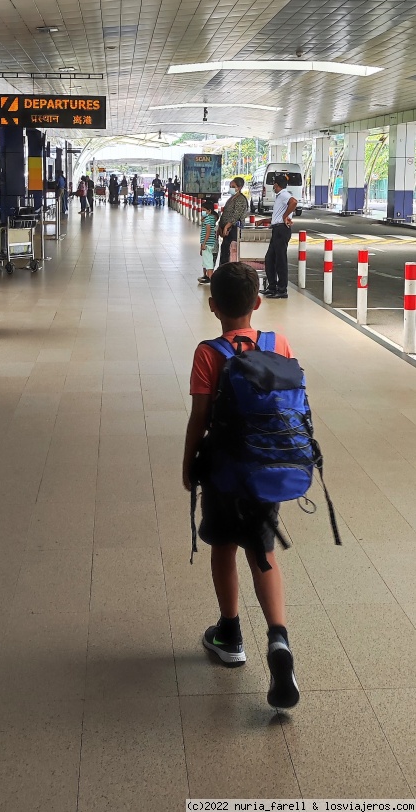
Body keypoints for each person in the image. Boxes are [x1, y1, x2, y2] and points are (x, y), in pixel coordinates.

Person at [182, 261, 299, 709]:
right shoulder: (279, 343)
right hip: (269, 470)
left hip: (224, 471)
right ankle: (279, 640)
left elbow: (200, 417)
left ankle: (229, 633)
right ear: (258, 302)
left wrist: (189, 462)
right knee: (262, 551)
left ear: (213, 307)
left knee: (223, 547)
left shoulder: (208, 353)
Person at [259, 174, 297, 299]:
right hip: (277, 229)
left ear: (276, 185)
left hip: (282, 230)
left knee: (280, 260)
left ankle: (282, 290)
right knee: (270, 258)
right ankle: (272, 287)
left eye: (274, 184)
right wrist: (264, 220)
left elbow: (294, 202)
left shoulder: (285, 194)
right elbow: (277, 216)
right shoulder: (280, 197)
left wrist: (285, 216)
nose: (273, 187)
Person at [217, 177, 248, 265]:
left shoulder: (241, 199)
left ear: (239, 187)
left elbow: (235, 216)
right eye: (230, 186)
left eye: (233, 186)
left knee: (230, 252)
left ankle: (228, 272)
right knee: (224, 251)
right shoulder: (231, 198)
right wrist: (220, 226)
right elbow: (225, 213)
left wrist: (226, 227)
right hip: (226, 230)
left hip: (233, 230)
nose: (231, 188)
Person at [197, 200, 218, 285]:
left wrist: (204, 243)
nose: (203, 212)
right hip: (210, 244)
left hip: (207, 244)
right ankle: (207, 277)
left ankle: (212, 280)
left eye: (204, 210)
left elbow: (208, 232)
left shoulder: (209, 219)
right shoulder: (211, 218)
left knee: (209, 264)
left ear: (209, 211)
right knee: (206, 262)